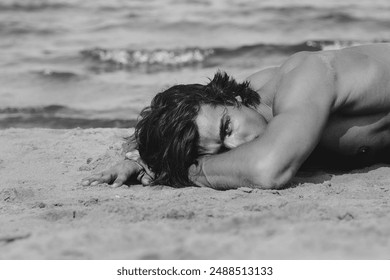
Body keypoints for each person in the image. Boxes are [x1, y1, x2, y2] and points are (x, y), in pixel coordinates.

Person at [82, 43, 390, 190]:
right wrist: (144, 158)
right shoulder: (248, 104)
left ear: (233, 97)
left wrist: (183, 172)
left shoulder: (306, 77)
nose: (238, 146)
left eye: (227, 128)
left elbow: (267, 170)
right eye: (221, 149)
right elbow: (195, 128)